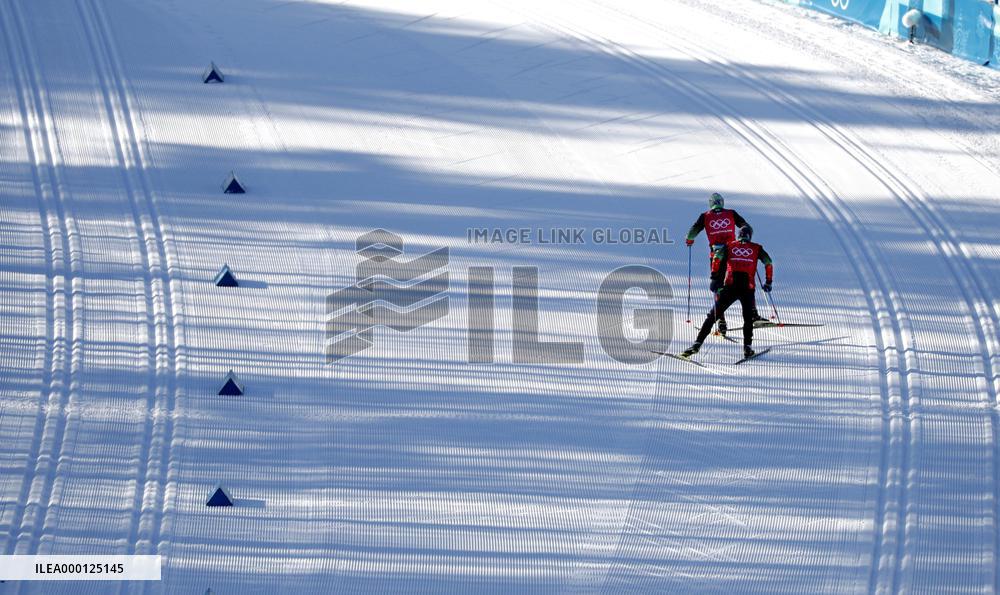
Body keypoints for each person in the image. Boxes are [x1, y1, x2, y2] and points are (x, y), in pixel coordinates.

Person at [682, 225, 773, 359]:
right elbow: (768, 262)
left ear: (738, 235)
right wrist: (768, 281)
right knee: (747, 319)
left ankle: (696, 344)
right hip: (747, 288)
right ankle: (747, 348)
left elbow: (716, 258)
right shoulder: (756, 248)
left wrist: (714, 276)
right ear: (750, 236)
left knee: (712, 316)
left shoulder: (730, 246)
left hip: (730, 286)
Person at [685, 193, 765, 335]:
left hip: (716, 254)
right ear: (722, 202)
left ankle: (720, 320)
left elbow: (692, 232)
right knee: (746, 279)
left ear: (711, 204)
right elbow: (746, 226)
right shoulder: (731, 213)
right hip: (734, 251)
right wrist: (745, 238)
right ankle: (753, 313)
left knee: (718, 284)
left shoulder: (705, 216)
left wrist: (689, 240)